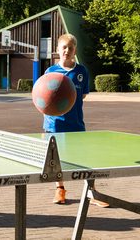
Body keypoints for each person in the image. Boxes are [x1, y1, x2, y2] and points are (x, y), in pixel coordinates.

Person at [40, 34, 108, 207]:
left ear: (74, 50)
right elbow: (43, 97)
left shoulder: (81, 71)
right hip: (53, 125)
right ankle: (60, 190)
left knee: (83, 159)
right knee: (56, 161)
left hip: (76, 123)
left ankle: (92, 192)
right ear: (57, 50)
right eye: (64, 47)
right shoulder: (50, 72)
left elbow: (82, 95)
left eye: (70, 48)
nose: (67, 51)